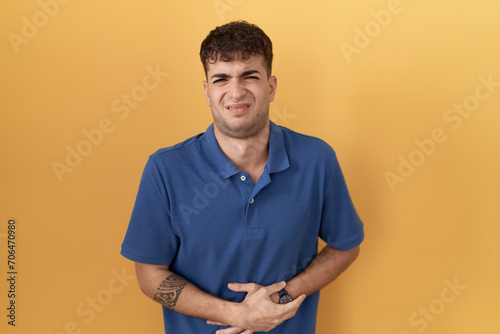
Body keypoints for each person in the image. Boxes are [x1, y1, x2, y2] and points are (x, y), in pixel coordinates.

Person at [120, 20, 364, 334]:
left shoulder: (317, 160)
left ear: (271, 86)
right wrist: (237, 315)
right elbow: (149, 274)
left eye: (249, 76)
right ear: (207, 91)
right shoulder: (165, 169)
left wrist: (280, 297)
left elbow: (346, 245)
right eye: (221, 79)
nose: (236, 92)